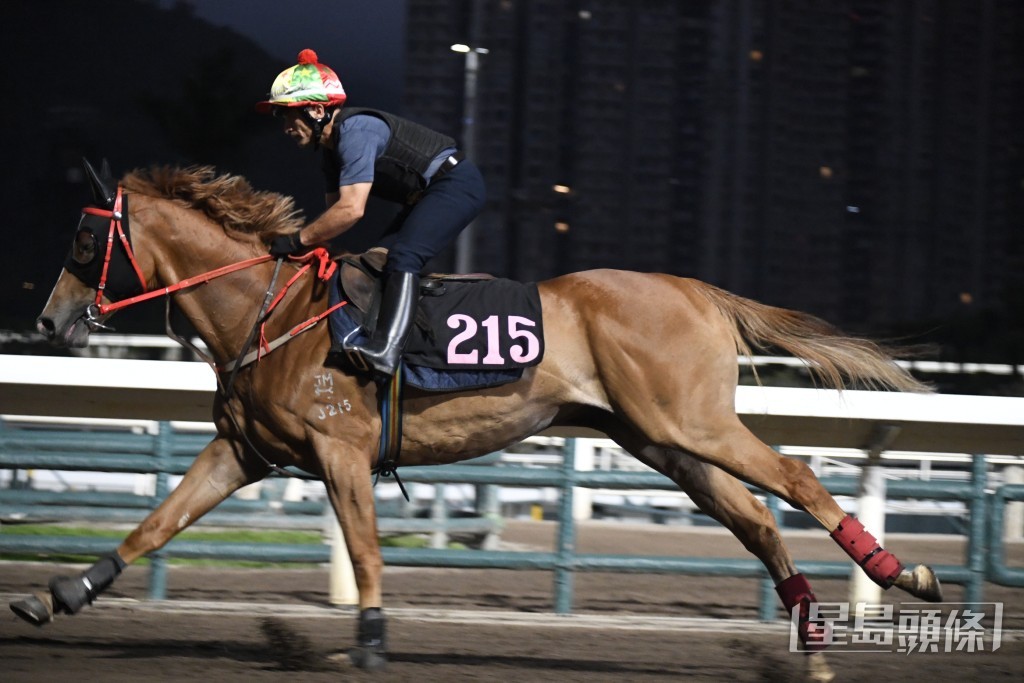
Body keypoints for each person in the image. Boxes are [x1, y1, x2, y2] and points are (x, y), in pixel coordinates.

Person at [257, 49, 486, 377]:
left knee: (403, 258)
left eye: (286, 114)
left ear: (317, 110)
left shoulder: (357, 131)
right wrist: (306, 245)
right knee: (374, 261)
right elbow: (333, 217)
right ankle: (381, 337)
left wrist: (296, 240)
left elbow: (351, 210)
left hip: (457, 184)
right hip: (426, 195)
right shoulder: (330, 153)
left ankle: (388, 351)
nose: (285, 127)